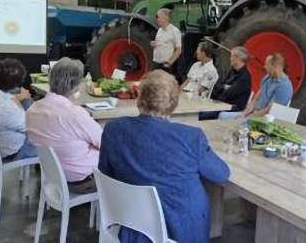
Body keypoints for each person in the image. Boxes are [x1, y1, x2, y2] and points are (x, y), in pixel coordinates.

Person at [98, 70, 230, 243]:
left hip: (134, 226)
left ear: (139, 99)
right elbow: (221, 174)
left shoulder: (113, 129)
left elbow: (106, 173)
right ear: (173, 104)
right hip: (181, 231)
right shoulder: (190, 137)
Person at [27, 58, 102, 194]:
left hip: (52, 176)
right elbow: (105, 143)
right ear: (77, 85)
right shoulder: (75, 114)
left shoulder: (33, 109)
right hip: (82, 180)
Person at [199, 46, 251, 120]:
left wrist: (223, 88)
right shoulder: (232, 71)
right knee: (199, 109)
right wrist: (224, 87)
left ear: (236, 58)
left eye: (231, 56)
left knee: (202, 115)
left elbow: (229, 93)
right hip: (223, 103)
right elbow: (218, 86)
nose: (230, 59)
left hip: (233, 107)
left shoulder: (244, 77)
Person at [151, 8, 182, 74]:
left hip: (166, 65)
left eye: (159, 17)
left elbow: (179, 50)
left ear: (166, 18)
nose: (157, 19)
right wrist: (153, 44)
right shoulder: (159, 30)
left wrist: (169, 63)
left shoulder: (175, 31)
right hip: (156, 63)